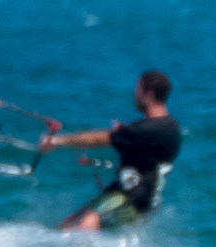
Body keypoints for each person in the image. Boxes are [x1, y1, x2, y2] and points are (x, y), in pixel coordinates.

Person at [47, 71, 181, 231]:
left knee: (89, 221)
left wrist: (57, 140)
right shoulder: (171, 127)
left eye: (138, 91)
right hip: (134, 196)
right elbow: (145, 146)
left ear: (149, 94)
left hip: (133, 199)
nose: (135, 96)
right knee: (67, 225)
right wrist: (125, 132)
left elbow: (98, 139)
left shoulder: (145, 130)